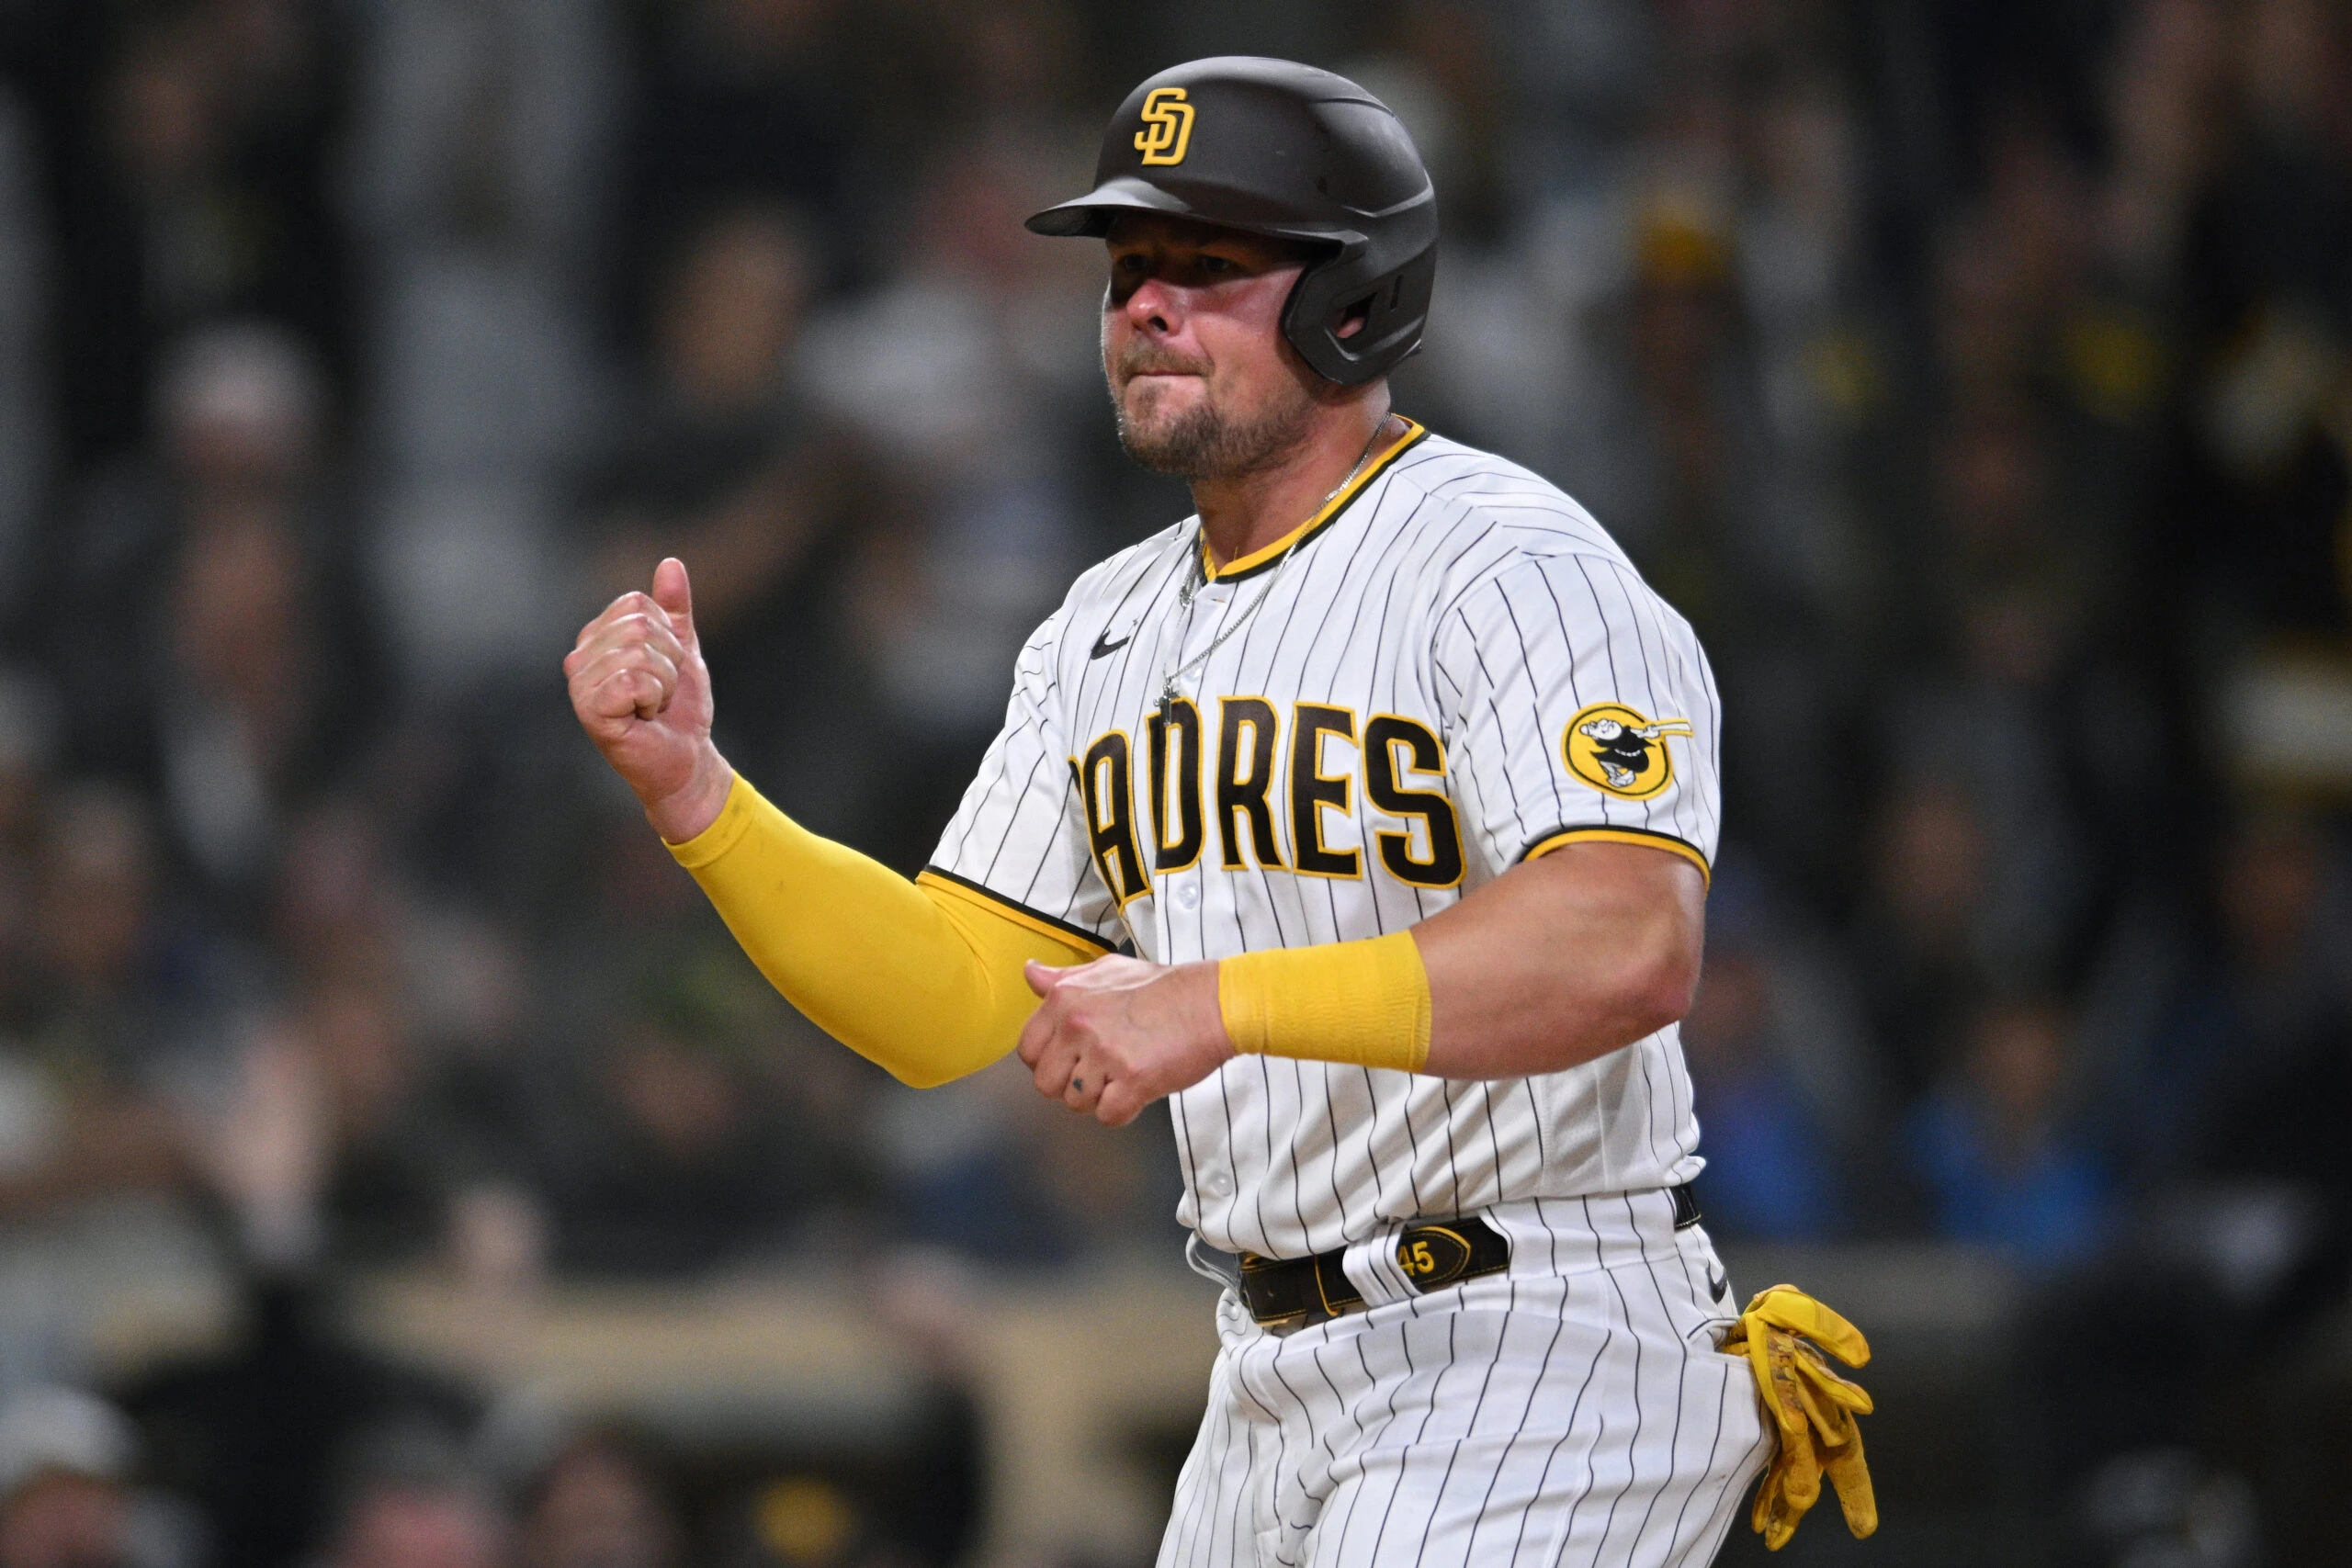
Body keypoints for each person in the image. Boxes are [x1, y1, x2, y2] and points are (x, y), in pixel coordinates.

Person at [567, 57, 1871, 1566]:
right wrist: (701, 798)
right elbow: (948, 1001)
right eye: (1127, 269)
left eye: (1207, 265)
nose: (1143, 308)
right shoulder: (1101, 631)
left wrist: (1218, 1002)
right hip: (1272, 1362)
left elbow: (1627, 942)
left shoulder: (1510, 566)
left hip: (1539, 1327)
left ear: (1356, 298)